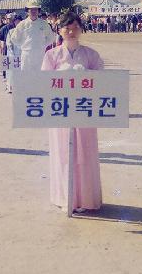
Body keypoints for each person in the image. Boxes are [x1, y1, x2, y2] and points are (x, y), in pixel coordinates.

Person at [41, 12, 104, 213]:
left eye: (76, 26)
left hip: (84, 110)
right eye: (67, 27)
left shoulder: (91, 55)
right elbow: (43, 83)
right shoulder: (51, 55)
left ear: (81, 29)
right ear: (59, 30)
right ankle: (64, 197)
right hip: (61, 111)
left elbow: (103, 82)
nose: (71, 31)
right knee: (62, 153)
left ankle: (86, 198)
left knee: (85, 153)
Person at [11, 0, 57, 71]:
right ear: (27, 11)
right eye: (31, 9)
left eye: (35, 9)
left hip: (40, 54)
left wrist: (43, 45)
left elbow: (51, 38)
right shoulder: (22, 24)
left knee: (39, 77)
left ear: (38, 11)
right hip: (26, 55)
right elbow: (14, 38)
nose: (33, 11)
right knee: (26, 77)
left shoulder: (44, 24)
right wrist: (23, 46)